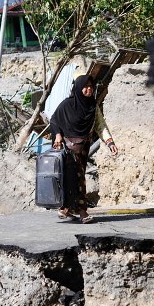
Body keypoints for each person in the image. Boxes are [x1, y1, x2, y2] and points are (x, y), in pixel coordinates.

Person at [49, 74, 118, 224]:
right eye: (86, 87)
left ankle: (67, 208)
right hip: (67, 149)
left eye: (91, 86)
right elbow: (54, 120)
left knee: (76, 177)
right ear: (79, 88)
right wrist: (58, 136)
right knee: (74, 177)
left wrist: (110, 143)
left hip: (83, 148)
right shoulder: (67, 105)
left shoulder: (93, 107)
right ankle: (81, 211)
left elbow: (101, 126)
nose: (89, 89)